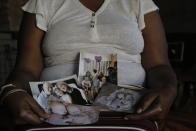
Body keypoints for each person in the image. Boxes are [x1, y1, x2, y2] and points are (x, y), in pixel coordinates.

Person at [0, 0, 177, 129]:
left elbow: (158, 65)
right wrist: (11, 90)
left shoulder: (138, 2)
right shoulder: (43, 3)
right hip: (57, 112)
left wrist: (168, 89)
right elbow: (25, 69)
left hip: (129, 110)